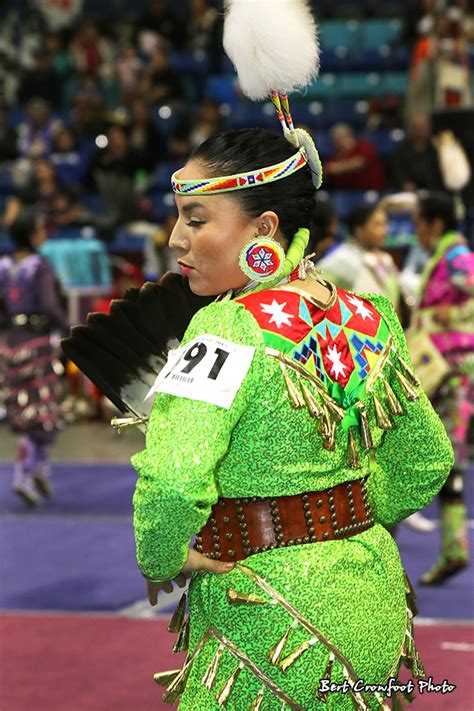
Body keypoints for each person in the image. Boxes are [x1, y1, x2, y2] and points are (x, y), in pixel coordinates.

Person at [63, 5, 453, 707]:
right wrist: (340, 521)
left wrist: (163, 554)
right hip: (369, 596)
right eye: (178, 214)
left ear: (265, 226)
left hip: (266, 618)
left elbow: (175, 481)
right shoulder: (367, 316)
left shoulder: (222, 330)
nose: (175, 238)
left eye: (197, 217)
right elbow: (426, 459)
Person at [412, 192, 473, 585]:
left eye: (419, 222)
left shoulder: (455, 255)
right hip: (446, 374)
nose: (415, 231)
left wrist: (453, 313)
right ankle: (454, 547)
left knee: (447, 459)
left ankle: (454, 547)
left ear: (435, 224)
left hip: (455, 377)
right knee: (451, 461)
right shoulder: (444, 257)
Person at [0, 208, 68, 506]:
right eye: (40, 228)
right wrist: (69, 329)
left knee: (26, 411)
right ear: (31, 234)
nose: (44, 233)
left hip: (9, 344)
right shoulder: (39, 266)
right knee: (42, 412)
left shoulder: (2, 266)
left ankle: (39, 467)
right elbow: (51, 305)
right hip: (37, 344)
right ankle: (25, 474)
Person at [316, 203, 401, 308]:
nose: (384, 231)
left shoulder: (386, 259)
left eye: (385, 224)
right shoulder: (344, 258)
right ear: (359, 230)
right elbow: (315, 283)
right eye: (377, 225)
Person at [390, 113, 444, 192]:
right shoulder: (400, 151)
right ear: (410, 129)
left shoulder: (437, 150)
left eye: (422, 128)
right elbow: (397, 174)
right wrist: (404, 183)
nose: (419, 132)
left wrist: (441, 152)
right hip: (409, 195)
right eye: (416, 128)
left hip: (435, 193)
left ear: (429, 129)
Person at [324, 124, 386, 191]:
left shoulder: (364, 145)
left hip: (371, 191)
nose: (336, 143)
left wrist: (339, 168)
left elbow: (360, 163)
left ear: (348, 136)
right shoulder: (335, 156)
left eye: (338, 138)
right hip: (345, 194)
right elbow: (327, 171)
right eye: (334, 140)